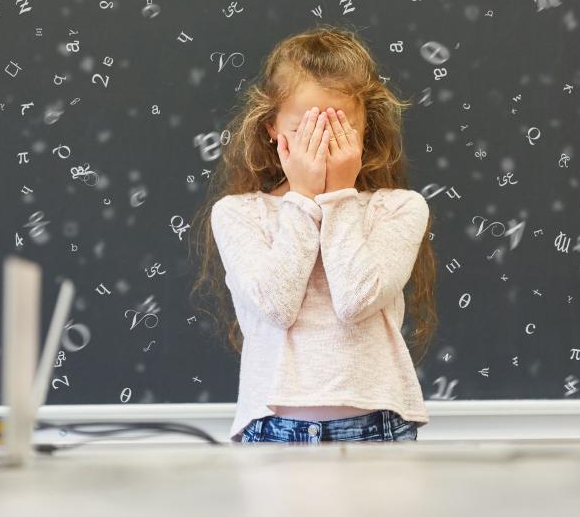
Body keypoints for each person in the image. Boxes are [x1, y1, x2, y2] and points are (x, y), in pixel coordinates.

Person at [188, 25, 439, 444]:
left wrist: (338, 195)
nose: (321, 141)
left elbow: (356, 299)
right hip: (271, 430)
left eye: (339, 125)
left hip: (377, 428)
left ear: (363, 131)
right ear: (271, 127)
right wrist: (303, 197)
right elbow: (277, 306)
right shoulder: (238, 214)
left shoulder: (398, 207)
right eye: (307, 126)